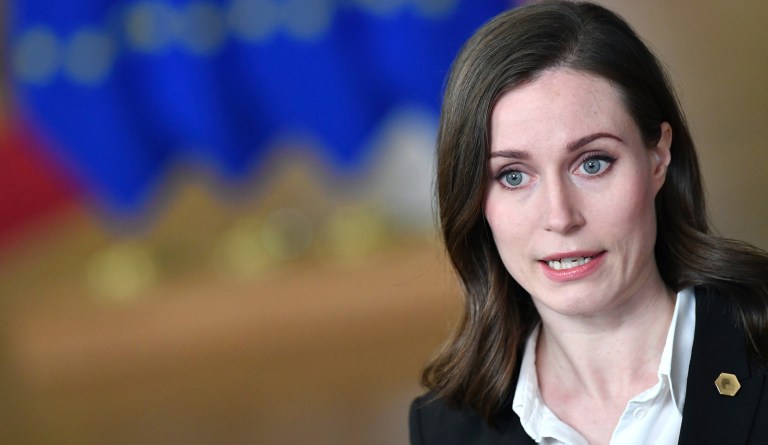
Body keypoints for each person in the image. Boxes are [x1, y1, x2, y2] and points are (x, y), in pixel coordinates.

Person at [409, 1, 768, 444]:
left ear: (657, 158)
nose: (560, 217)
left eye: (593, 163)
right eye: (513, 176)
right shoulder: (447, 427)